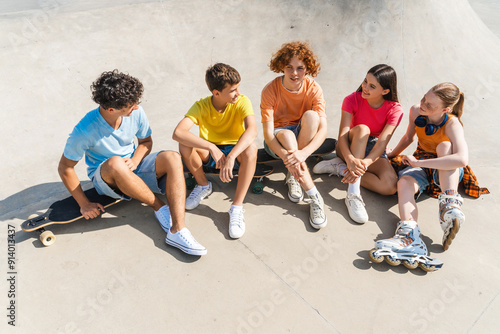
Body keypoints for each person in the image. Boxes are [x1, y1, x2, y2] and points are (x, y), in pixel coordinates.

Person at [58, 70, 207, 256]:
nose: (136, 108)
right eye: (130, 105)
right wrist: (84, 203)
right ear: (111, 109)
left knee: (172, 157)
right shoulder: (84, 131)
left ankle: (178, 229)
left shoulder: (136, 112)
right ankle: (159, 207)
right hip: (106, 177)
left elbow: (146, 142)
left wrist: (136, 160)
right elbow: (65, 167)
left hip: (132, 165)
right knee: (115, 163)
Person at [373, 82, 488, 263]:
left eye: (429, 105)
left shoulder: (452, 123)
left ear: (446, 109)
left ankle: (450, 205)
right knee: (403, 182)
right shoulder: (416, 111)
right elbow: (408, 138)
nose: (423, 105)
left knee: (445, 146)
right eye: (424, 99)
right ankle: (409, 236)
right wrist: (391, 154)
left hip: (447, 169)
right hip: (421, 163)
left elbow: (461, 159)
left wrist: (419, 162)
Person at [173, 63, 257, 239]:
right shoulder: (201, 106)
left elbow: (252, 131)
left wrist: (232, 155)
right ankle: (203, 185)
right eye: (233, 90)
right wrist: (211, 147)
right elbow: (178, 133)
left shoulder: (242, 101)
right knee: (184, 143)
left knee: (251, 148)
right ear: (216, 93)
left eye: (238, 87)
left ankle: (236, 207)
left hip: (236, 148)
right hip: (211, 151)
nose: (238, 93)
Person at [313, 64, 403, 224]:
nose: (365, 87)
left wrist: (363, 163)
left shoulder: (395, 110)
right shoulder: (351, 99)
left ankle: (341, 169)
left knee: (389, 187)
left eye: (372, 86)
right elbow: (342, 136)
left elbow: (382, 143)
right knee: (363, 129)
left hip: (373, 149)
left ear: (385, 91)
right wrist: (350, 159)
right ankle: (353, 194)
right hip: (348, 145)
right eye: (365, 82)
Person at [260, 41, 327, 229]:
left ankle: (293, 175)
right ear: (282, 66)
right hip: (277, 141)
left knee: (313, 117)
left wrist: (302, 154)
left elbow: (323, 130)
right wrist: (290, 159)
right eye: (289, 67)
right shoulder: (270, 90)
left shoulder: (313, 88)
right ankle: (315, 196)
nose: (294, 73)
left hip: (302, 139)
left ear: (308, 69)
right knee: (288, 137)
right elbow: (267, 134)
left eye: (300, 68)